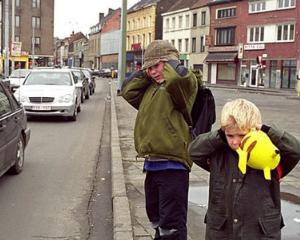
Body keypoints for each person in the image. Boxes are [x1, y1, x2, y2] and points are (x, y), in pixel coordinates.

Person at [188, 98, 300, 240]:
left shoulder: (267, 151)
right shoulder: (218, 149)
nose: (235, 142)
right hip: (222, 229)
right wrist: (220, 136)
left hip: (260, 230)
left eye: (241, 135)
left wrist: (267, 131)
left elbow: (295, 150)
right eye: (230, 135)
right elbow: (194, 151)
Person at [121, 40, 198, 240]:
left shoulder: (183, 85)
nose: (152, 72)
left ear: (170, 62)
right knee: (156, 219)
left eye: (156, 66)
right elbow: (128, 90)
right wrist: (149, 71)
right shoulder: (151, 88)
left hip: (174, 165)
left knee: (171, 226)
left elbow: (177, 79)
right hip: (153, 164)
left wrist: (170, 62)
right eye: (148, 68)